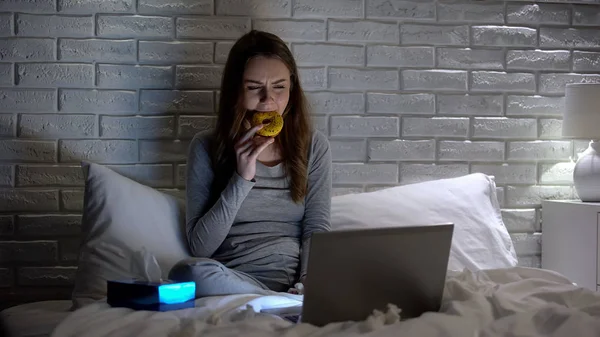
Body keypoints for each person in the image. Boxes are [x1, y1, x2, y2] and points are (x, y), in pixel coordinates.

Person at [168, 30, 332, 297]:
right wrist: (242, 178)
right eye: (254, 87)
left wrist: (308, 282)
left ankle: (285, 299)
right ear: (236, 90)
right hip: (231, 278)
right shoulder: (206, 147)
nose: (268, 100)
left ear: (292, 87)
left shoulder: (314, 146)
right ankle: (274, 302)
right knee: (186, 272)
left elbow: (316, 228)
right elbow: (200, 247)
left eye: (279, 87)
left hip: (292, 281)